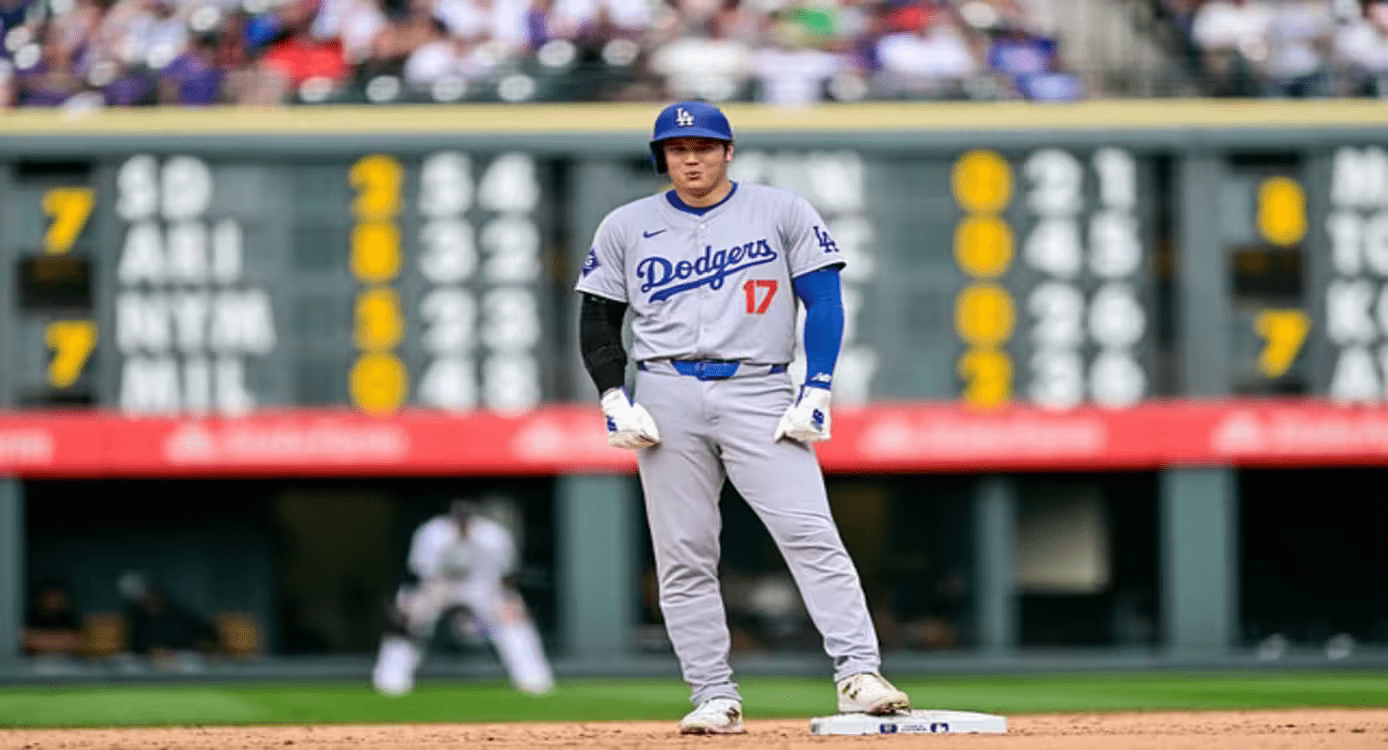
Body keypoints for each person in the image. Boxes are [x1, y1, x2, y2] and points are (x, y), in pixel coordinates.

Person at [574, 100, 911, 735]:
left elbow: (824, 299)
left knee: (811, 533)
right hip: (667, 388)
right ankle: (712, 693)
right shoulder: (626, 224)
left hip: (758, 386)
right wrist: (612, 396)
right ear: (662, 158)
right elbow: (597, 318)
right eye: (677, 149)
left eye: (703, 146)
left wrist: (816, 386)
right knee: (683, 554)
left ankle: (859, 673)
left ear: (728, 151)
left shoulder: (780, 210)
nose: (690, 157)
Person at [371, 499, 555, 696]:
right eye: (459, 518)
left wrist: (508, 603)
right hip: (440, 585)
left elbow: (505, 575)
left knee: (514, 621)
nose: (463, 522)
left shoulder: (493, 536)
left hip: (482, 586)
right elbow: (422, 574)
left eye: (467, 518)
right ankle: (390, 680)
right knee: (407, 622)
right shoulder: (432, 533)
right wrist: (413, 606)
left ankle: (534, 679)